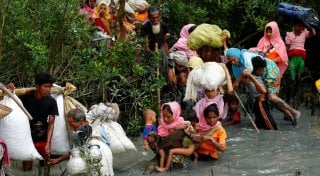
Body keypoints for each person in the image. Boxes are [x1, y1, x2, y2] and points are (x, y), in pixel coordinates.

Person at [7, 72, 59, 171]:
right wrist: (8, 90)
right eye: (45, 86)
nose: (48, 89)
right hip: (28, 139)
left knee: (46, 166)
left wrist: (48, 144)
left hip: (43, 138)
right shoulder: (25, 98)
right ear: (37, 86)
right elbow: (10, 100)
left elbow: (51, 124)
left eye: (50, 87)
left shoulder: (51, 101)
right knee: (27, 169)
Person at [155, 102, 195, 172]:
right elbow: (157, 143)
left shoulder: (184, 125)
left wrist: (180, 130)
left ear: (175, 115)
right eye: (163, 116)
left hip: (176, 158)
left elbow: (194, 140)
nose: (165, 119)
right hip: (162, 155)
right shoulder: (162, 126)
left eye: (168, 116)